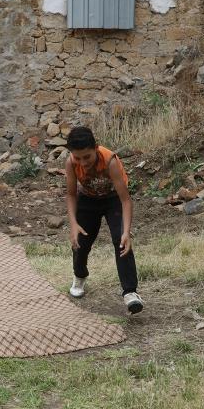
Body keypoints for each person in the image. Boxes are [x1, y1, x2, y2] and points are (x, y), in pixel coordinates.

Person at [64, 126, 144, 314]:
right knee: (80, 242)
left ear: (96, 148)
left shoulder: (110, 161)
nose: (83, 162)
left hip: (112, 199)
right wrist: (73, 224)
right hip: (88, 200)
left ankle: (130, 292)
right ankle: (80, 275)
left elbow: (125, 199)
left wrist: (126, 231)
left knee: (121, 241)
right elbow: (71, 195)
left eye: (87, 157)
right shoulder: (71, 163)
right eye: (78, 158)